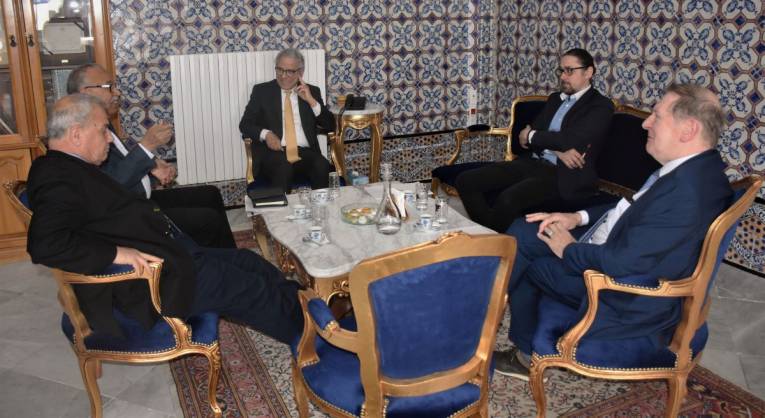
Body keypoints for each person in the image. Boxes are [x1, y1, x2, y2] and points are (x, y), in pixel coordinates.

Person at [495, 84, 733, 380]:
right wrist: (576, 217)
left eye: (657, 116)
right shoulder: (696, 169)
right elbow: (631, 207)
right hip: (616, 249)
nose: (646, 123)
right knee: (527, 229)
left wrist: (568, 249)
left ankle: (523, 353)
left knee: (534, 266)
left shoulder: (685, 193)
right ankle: (486, 308)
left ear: (688, 130)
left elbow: (620, 262)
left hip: (621, 295)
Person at [26, 94, 303, 345]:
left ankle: (304, 304)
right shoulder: (56, 177)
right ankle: (310, 338)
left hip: (171, 256)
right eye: (103, 131)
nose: (109, 138)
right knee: (250, 288)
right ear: (76, 134)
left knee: (248, 261)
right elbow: (45, 243)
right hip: (154, 283)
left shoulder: (69, 166)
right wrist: (116, 253)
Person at [67, 64, 236, 249]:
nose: (117, 92)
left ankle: (228, 257)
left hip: (139, 199)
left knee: (210, 194)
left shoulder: (101, 122)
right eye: (110, 87)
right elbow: (109, 187)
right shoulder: (83, 135)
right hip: (128, 215)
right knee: (207, 220)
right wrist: (147, 146)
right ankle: (207, 261)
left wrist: (153, 168)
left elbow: (120, 167)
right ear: (86, 92)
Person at [455, 48, 615, 232]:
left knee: (509, 198)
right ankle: (490, 235)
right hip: (534, 161)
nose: (563, 76)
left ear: (588, 72)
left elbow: (566, 139)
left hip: (564, 175)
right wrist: (556, 150)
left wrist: (533, 136)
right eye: (561, 70)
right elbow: (529, 138)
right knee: (466, 180)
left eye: (569, 70)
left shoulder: (600, 106)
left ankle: (490, 240)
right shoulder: (555, 99)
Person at [239, 48, 335, 193]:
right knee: (283, 167)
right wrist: (266, 134)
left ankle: (321, 205)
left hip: (304, 152)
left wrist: (311, 101)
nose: (283, 76)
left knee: (321, 165)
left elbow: (330, 125)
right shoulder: (262, 91)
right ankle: (282, 208)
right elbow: (245, 124)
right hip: (274, 154)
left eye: (289, 71)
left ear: (300, 72)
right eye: (279, 70)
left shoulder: (312, 91)